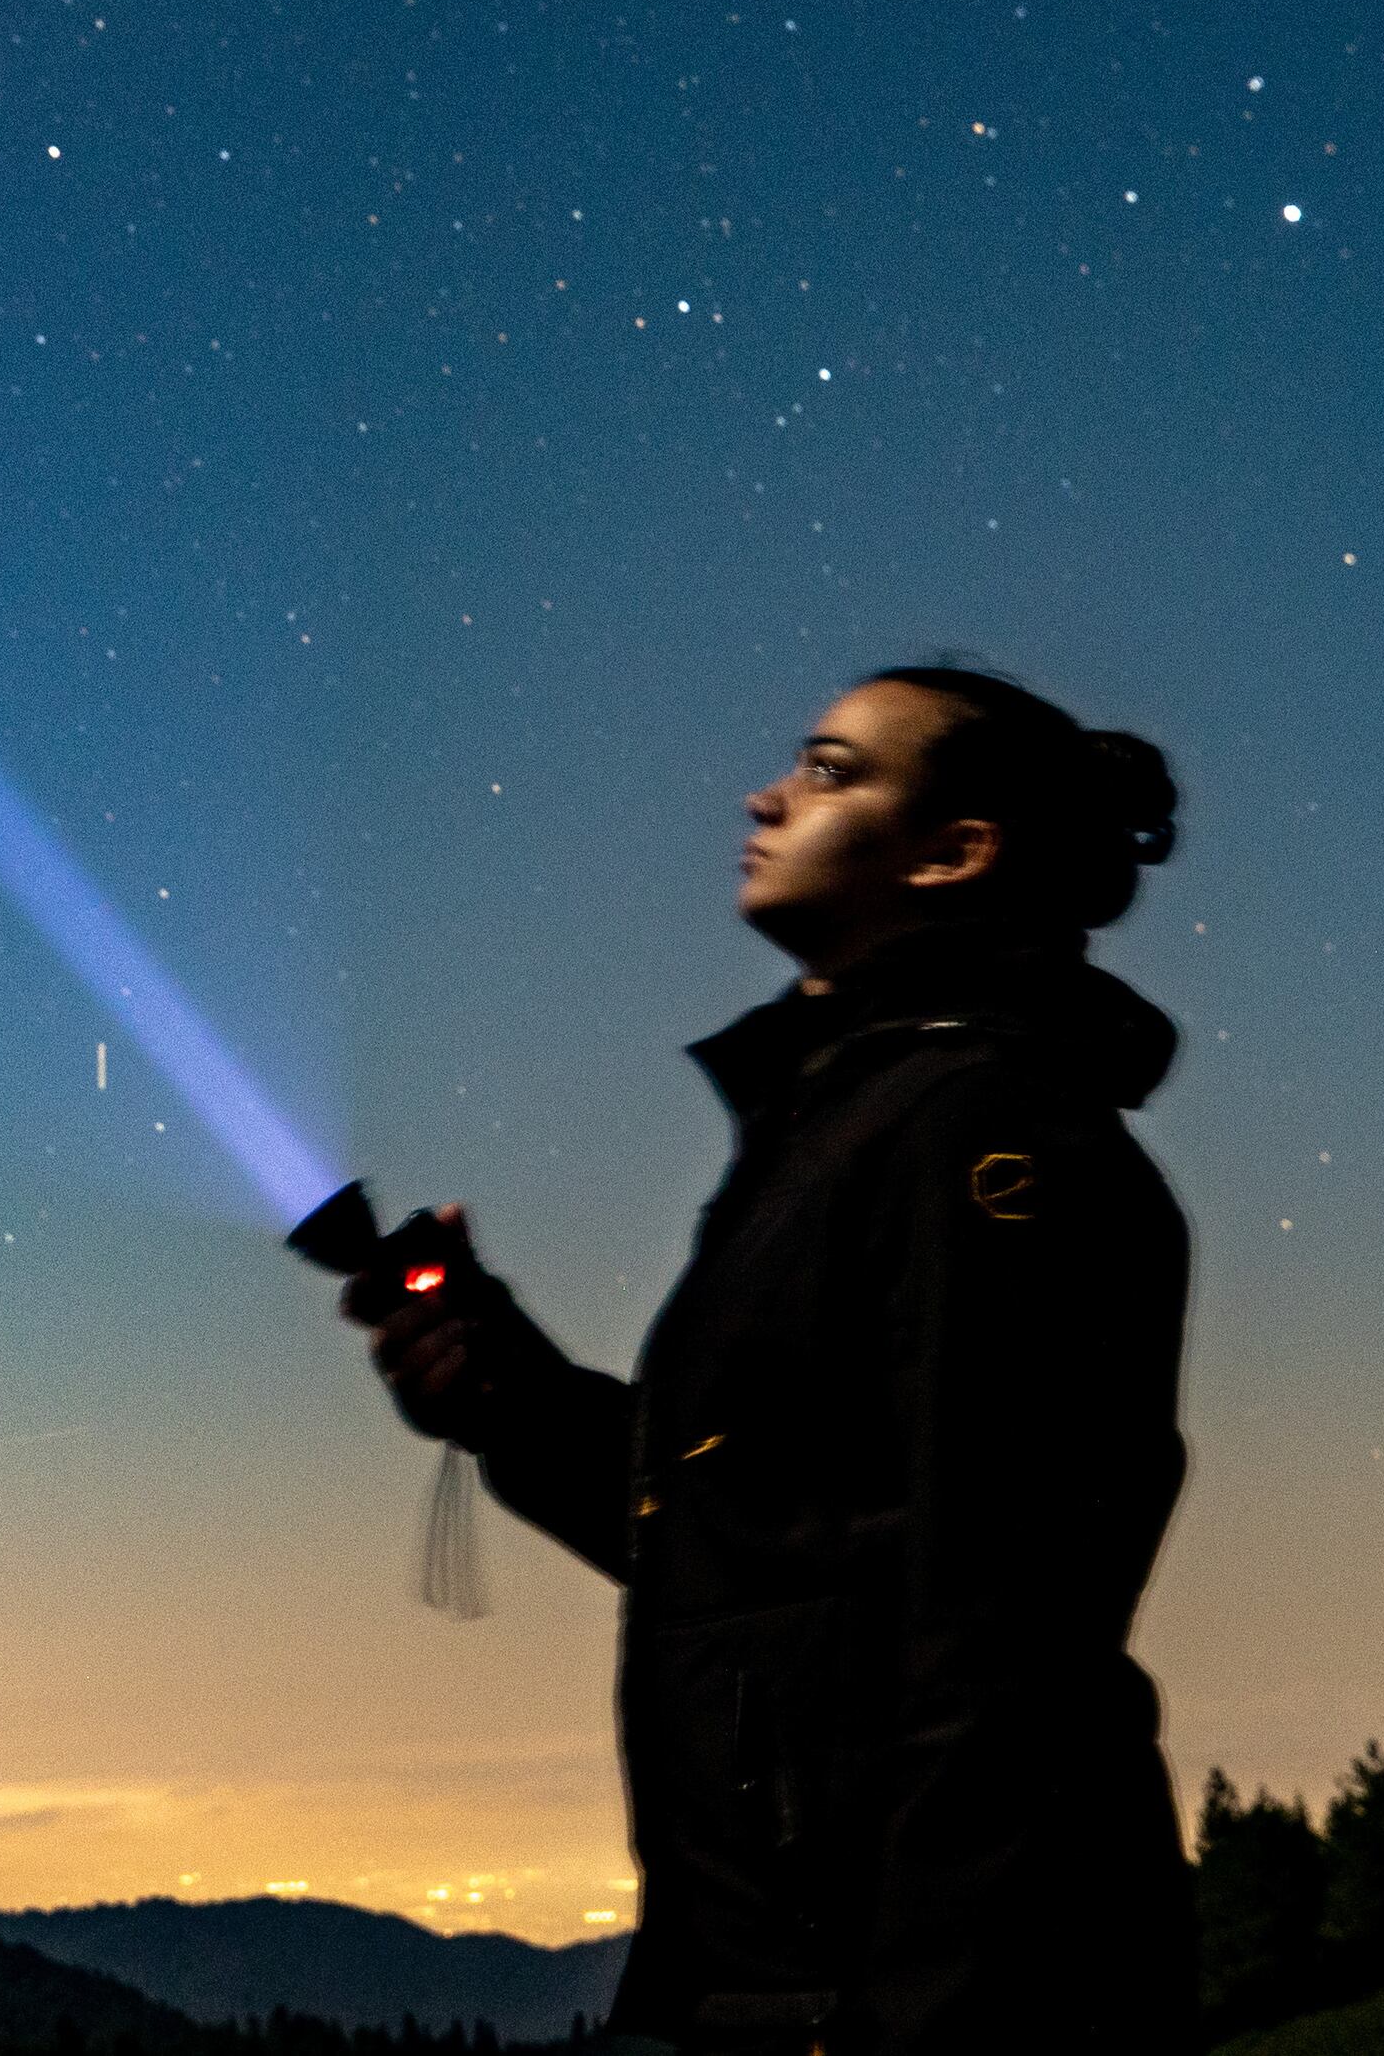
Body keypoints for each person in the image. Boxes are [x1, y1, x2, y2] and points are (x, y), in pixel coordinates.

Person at [344, 665, 1195, 2056]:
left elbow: (998, 1645)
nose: (767, 792)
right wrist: (510, 1397)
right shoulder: (835, 1137)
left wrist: (924, 2025)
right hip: (760, 1985)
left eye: (831, 766)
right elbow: (757, 1551)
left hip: (903, 1999)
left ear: (955, 850)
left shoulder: (987, 1142)